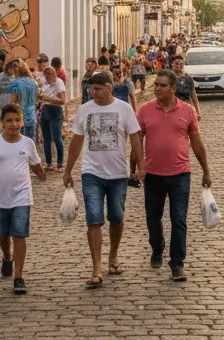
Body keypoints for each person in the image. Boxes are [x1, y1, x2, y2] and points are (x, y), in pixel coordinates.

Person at [63, 71, 144, 289]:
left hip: (118, 173)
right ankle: (96, 268)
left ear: (109, 87)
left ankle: (113, 256)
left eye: (97, 88)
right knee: (93, 219)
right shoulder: (84, 110)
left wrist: (140, 166)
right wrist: (68, 169)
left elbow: (135, 138)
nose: (93, 92)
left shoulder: (124, 108)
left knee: (116, 217)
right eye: (91, 88)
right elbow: (77, 142)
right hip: (92, 173)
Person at [137, 70, 211, 282]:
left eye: (162, 85)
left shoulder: (187, 111)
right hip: (153, 174)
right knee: (153, 217)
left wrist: (206, 170)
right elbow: (136, 142)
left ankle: (177, 262)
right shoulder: (145, 110)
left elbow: (197, 143)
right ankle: (157, 247)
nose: (157, 89)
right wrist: (137, 166)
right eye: (156, 85)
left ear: (173, 88)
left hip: (181, 174)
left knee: (179, 219)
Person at [0, 103, 46, 295]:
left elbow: (35, 164)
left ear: (22, 121)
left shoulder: (27, 143)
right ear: (2, 122)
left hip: (22, 196)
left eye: (17, 120)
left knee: (19, 233)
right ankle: (7, 256)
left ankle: (19, 277)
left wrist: (43, 176)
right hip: (0, 197)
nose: (13, 124)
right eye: (9, 120)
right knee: (2, 233)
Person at [2, 60, 40, 141]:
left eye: (11, 72)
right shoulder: (33, 82)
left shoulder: (17, 83)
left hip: (20, 118)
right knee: (30, 145)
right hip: (32, 118)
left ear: (15, 70)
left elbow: (13, 101)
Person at [39, 66, 67, 170]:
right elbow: (41, 95)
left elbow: (62, 100)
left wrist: (48, 98)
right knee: (46, 138)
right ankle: (49, 163)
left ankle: (60, 163)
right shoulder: (45, 84)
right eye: (45, 75)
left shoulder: (58, 82)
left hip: (55, 111)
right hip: (45, 110)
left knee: (56, 137)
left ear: (52, 74)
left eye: (48, 75)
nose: (46, 78)